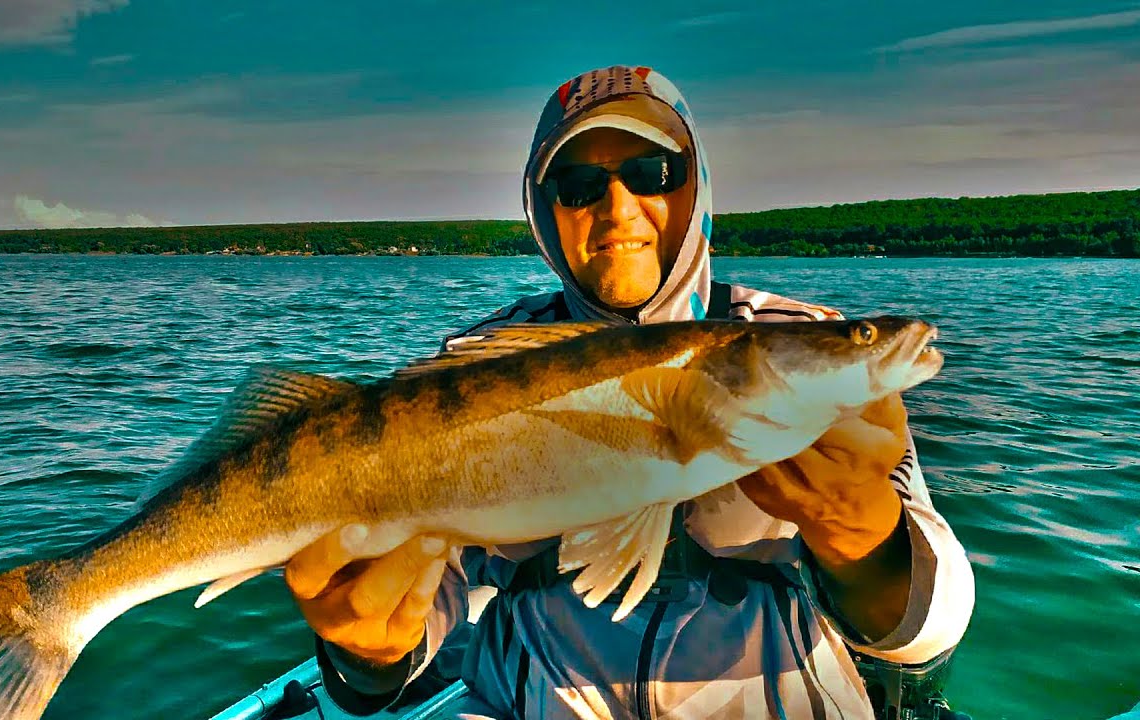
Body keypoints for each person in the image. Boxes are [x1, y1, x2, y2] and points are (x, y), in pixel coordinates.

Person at [285, 65, 975, 719]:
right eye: (579, 185)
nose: (618, 209)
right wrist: (367, 647)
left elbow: (927, 634)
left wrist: (862, 530)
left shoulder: (805, 343)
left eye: (653, 173)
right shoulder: (470, 367)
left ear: (696, 186)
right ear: (541, 212)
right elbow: (421, 612)